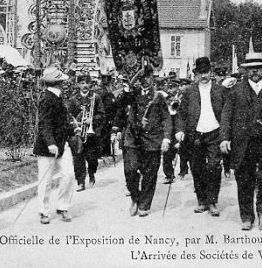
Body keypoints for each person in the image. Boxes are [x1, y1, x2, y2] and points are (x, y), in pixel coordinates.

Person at [220, 45, 262, 231]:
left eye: (258, 68)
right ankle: (247, 217)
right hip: (244, 143)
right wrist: (225, 138)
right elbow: (226, 115)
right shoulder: (236, 91)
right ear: (245, 70)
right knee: (244, 181)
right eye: (251, 69)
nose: (255, 72)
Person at [116, 75, 173, 217]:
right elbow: (120, 106)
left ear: (152, 79)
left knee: (150, 173)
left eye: (147, 77)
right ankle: (135, 197)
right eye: (141, 77)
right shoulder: (131, 94)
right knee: (130, 169)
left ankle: (144, 204)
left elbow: (166, 118)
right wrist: (127, 90)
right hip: (133, 138)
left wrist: (166, 138)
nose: (144, 80)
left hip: (152, 139)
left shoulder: (159, 97)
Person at [175, 57, 226, 216]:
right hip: (195, 135)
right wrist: (180, 130)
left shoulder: (220, 90)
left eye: (206, 72)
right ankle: (202, 201)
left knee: (213, 167)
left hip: (214, 133)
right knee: (197, 168)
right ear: (196, 74)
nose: (203, 76)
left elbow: (226, 113)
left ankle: (212, 201)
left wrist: (226, 134)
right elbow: (181, 114)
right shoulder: (189, 91)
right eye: (200, 73)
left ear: (211, 72)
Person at [33, 66, 76, 224]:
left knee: (69, 174)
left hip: (62, 144)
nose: (63, 85)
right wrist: (50, 143)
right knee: (45, 180)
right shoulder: (46, 99)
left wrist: (72, 129)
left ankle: (63, 206)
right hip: (47, 147)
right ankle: (43, 211)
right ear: (57, 83)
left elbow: (60, 124)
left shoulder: (58, 98)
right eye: (61, 82)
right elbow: (44, 124)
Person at [67, 73, 106, 190]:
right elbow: (69, 116)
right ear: (78, 85)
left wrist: (92, 120)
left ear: (90, 84)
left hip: (92, 133)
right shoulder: (73, 99)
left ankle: (92, 172)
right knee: (78, 157)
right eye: (82, 83)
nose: (85, 85)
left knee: (92, 157)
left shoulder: (96, 97)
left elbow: (102, 114)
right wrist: (76, 125)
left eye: (87, 83)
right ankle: (80, 181)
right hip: (79, 133)